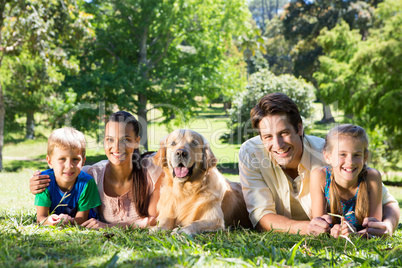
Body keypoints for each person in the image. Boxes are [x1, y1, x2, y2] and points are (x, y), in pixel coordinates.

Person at [239, 92, 399, 236]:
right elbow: (261, 216)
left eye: (284, 133)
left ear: (299, 128)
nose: (278, 144)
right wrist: (308, 228)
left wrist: (388, 226)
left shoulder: (332, 155)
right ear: (261, 138)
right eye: (267, 137)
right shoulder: (251, 153)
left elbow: (388, 202)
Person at [30, 111, 163, 229]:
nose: (116, 147)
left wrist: (110, 227)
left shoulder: (151, 172)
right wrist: (35, 184)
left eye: (126, 140)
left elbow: (155, 220)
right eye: (110, 139)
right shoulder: (92, 175)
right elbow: (60, 178)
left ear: (136, 142)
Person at [310, 124, 382, 238]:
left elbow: (376, 229)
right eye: (342, 154)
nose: (350, 162)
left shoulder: (372, 177)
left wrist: (354, 235)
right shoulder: (320, 176)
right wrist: (333, 232)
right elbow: (319, 226)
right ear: (327, 157)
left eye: (356, 155)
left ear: (365, 157)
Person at [35, 127, 101, 226]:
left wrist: (70, 221)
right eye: (62, 159)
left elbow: (82, 219)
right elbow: (40, 217)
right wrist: (49, 221)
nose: (69, 166)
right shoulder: (45, 181)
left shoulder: (86, 183)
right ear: (49, 161)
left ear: (83, 161)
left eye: (75, 159)